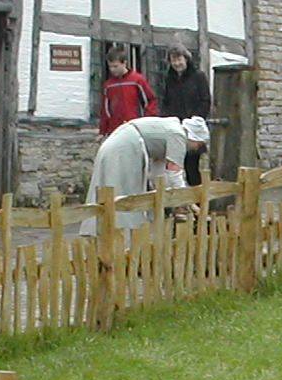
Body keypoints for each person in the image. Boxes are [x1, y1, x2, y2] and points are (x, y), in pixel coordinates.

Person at [81, 116, 209, 236]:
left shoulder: (170, 131)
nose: (197, 148)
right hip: (126, 147)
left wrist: (164, 194)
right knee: (125, 194)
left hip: (121, 141)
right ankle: (120, 238)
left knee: (114, 189)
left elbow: (158, 174)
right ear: (193, 138)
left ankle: (110, 233)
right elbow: (174, 173)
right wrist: (187, 200)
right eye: (199, 144)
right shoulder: (178, 135)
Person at [158, 44, 212, 185]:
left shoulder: (198, 77)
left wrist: (195, 121)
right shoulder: (169, 79)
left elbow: (205, 100)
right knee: (173, 167)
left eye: (179, 60)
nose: (177, 63)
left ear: (186, 59)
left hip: (192, 130)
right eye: (173, 60)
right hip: (174, 128)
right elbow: (166, 101)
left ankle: (198, 202)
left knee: (191, 167)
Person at [99, 45, 157, 137]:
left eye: (115, 66)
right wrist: (103, 131)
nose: (112, 70)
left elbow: (150, 100)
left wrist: (146, 121)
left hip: (136, 127)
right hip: (115, 129)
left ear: (124, 63)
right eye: (110, 66)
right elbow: (105, 110)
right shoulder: (108, 85)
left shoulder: (137, 80)